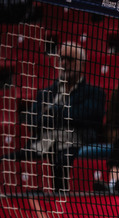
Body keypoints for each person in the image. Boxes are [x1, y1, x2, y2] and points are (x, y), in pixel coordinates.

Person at [24, 42, 105, 192]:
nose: (64, 63)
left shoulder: (94, 93)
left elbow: (88, 117)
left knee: (61, 161)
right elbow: (32, 121)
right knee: (9, 159)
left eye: (70, 59)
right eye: (62, 58)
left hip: (75, 144)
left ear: (82, 65)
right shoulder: (45, 93)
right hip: (43, 144)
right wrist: (64, 114)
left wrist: (53, 112)